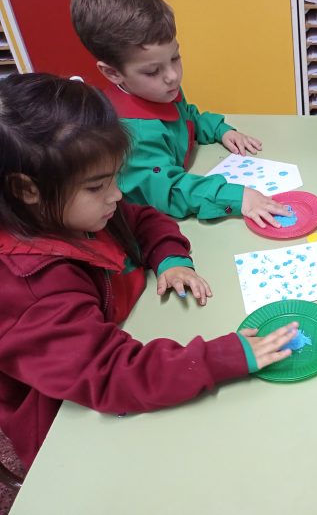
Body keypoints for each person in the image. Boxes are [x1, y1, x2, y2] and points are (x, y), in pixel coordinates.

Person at [0, 73, 298, 469]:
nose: (117, 194)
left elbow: (142, 219)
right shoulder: (30, 289)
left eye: (115, 177)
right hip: (68, 429)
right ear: (26, 190)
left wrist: (169, 257)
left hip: (119, 341)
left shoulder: (72, 210)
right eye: (97, 186)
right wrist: (222, 357)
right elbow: (112, 375)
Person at [70, 0, 289, 225]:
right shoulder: (130, 135)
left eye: (175, 58)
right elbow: (170, 190)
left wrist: (220, 130)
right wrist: (237, 197)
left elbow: (186, 117)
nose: (172, 76)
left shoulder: (159, 91)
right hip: (150, 224)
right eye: (153, 71)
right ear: (113, 73)